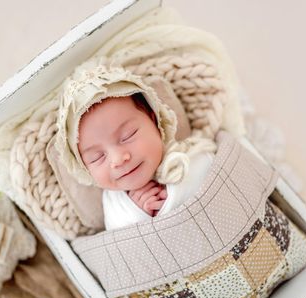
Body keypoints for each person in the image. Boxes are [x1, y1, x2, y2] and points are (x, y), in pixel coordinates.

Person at [56, 62, 216, 230]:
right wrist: (140, 214)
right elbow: (120, 238)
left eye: (128, 136)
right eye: (97, 157)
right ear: (83, 168)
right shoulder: (114, 202)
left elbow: (209, 166)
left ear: (154, 121)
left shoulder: (186, 152)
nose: (118, 159)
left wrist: (170, 198)